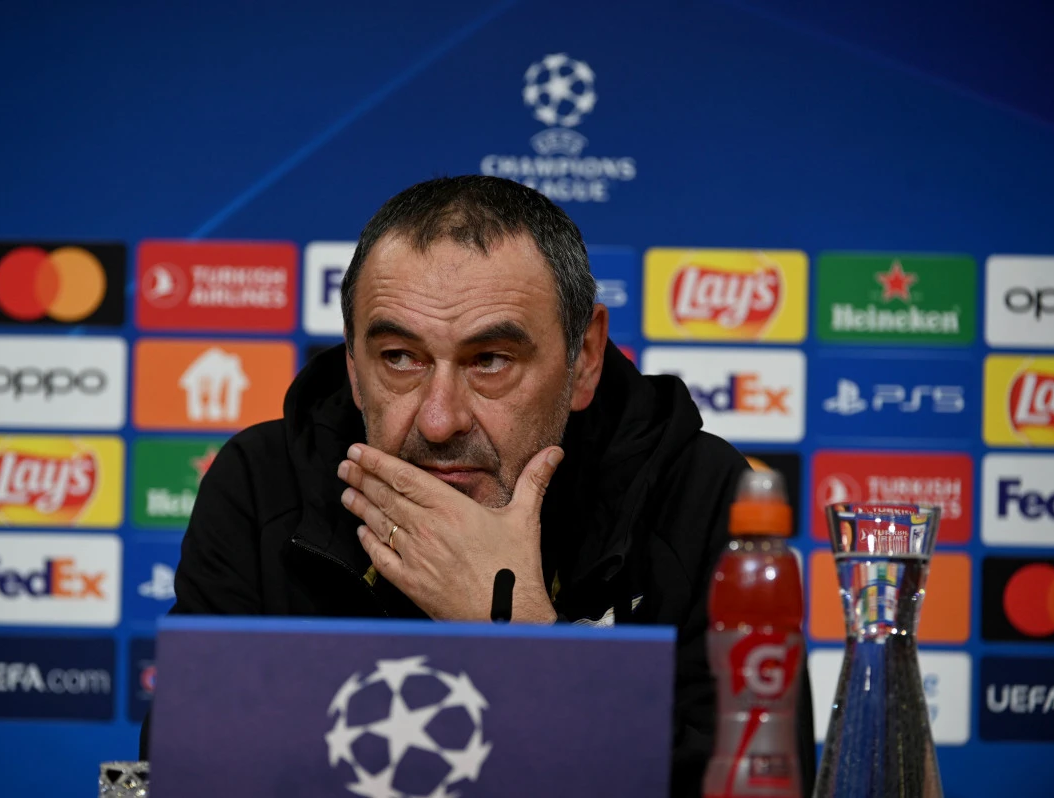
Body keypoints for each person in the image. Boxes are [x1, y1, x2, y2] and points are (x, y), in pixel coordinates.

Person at [140, 175, 815, 796]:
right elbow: (185, 771)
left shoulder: (701, 497)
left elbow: (763, 785)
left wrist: (524, 639)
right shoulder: (261, 486)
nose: (439, 420)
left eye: (490, 360)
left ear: (584, 357)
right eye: (399, 358)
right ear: (352, 364)